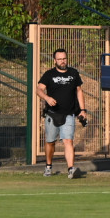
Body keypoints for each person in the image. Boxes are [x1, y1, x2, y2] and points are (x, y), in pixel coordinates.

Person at [37, 48, 87, 179]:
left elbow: (79, 91)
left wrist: (83, 110)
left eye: (64, 58)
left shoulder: (73, 73)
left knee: (68, 141)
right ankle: (48, 166)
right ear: (55, 60)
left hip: (69, 114)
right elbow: (39, 89)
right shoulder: (49, 74)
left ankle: (71, 169)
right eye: (59, 59)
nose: (62, 61)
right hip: (52, 114)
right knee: (50, 142)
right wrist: (46, 98)